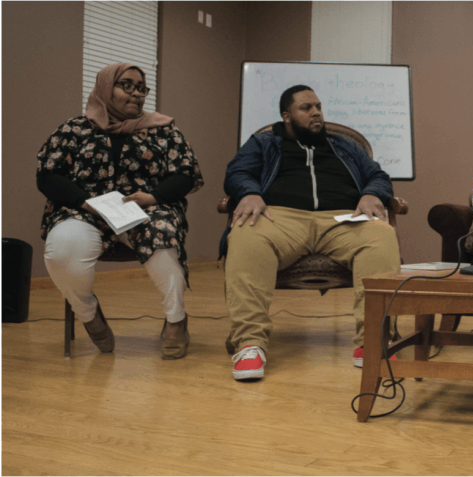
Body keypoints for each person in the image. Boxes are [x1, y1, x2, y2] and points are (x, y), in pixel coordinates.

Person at [221, 85, 400, 381]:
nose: (316, 112)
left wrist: (371, 194)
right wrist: (249, 192)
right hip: (280, 217)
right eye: (306, 108)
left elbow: (377, 175)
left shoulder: (343, 145)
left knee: (381, 236)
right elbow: (237, 172)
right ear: (287, 116)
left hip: (342, 219)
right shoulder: (263, 142)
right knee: (245, 233)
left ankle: (372, 342)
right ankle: (250, 344)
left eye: (318, 106)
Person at [37, 62, 204, 360]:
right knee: (63, 248)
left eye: (141, 88)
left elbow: (185, 174)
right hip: (86, 210)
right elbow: (48, 175)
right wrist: (84, 202)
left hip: (145, 208)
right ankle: (88, 314)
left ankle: (176, 320)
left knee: (163, 237)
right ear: (105, 87)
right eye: (126, 85)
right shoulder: (74, 128)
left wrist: (153, 197)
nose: (136, 93)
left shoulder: (163, 129)